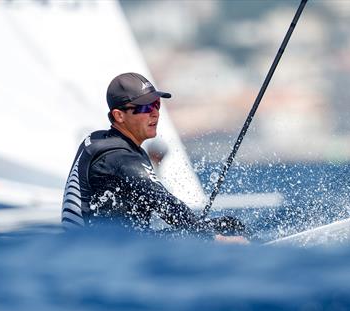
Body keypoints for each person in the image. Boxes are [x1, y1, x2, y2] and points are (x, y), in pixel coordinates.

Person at [61, 72, 247, 243]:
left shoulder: (98, 139)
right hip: (109, 254)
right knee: (229, 227)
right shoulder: (119, 157)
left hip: (108, 246)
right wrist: (215, 239)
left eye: (156, 105)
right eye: (145, 107)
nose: (155, 113)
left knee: (217, 226)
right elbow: (164, 203)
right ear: (119, 116)